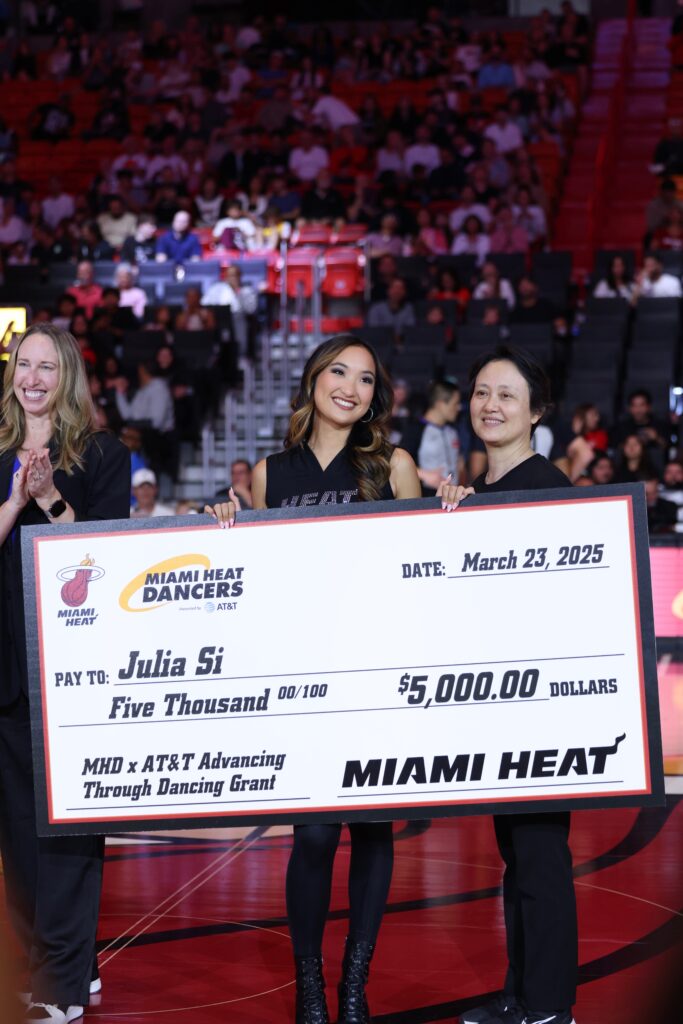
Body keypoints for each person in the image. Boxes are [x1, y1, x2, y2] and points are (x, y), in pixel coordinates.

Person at [206, 335, 459, 1024]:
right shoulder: (266, 474)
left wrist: (454, 515)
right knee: (314, 837)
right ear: (314, 378)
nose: (351, 386)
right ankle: (309, 987)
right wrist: (224, 529)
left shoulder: (395, 464)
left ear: (376, 397)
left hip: (376, 672)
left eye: (367, 379)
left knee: (372, 829)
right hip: (304, 675)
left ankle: (354, 984)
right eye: (339, 372)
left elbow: (425, 569)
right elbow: (255, 582)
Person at [0, 323, 130, 1024]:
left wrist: (50, 499)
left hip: (74, 666)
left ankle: (62, 981)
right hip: (5, 663)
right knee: (17, 831)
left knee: (69, 828)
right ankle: (39, 966)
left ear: (68, 377)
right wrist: (19, 496)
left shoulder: (102, 454)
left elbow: (107, 555)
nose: (36, 377)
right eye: (26, 364)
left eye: (49, 366)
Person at [451, 346, 578, 1024]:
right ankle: (524, 996)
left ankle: (551, 1007)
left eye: (505, 394)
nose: (489, 405)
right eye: (479, 393)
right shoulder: (479, 493)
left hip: (538, 706)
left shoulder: (547, 488)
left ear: (536, 410)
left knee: (538, 855)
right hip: (498, 705)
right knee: (519, 857)